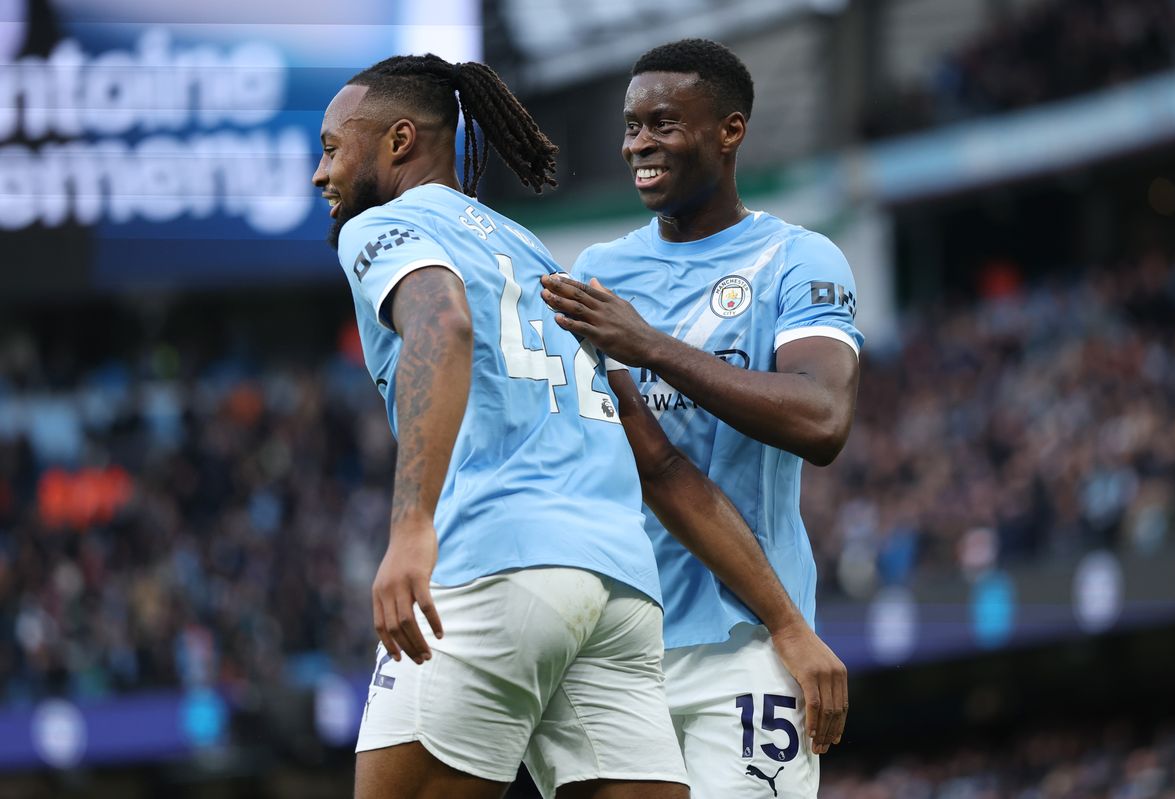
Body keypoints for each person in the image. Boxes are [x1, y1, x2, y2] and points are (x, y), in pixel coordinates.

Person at [312, 53, 835, 799]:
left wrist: (411, 526)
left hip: (496, 560)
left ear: (399, 141)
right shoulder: (530, 251)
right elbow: (654, 461)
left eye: (332, 148)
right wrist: (786, 617)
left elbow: (444, 324)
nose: (319, 174)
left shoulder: (383, 226)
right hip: (618, 591)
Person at [541, 38, 861, 798]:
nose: (639, 145)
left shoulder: (798, 260)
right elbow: (644, 464)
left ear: (730, 130)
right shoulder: (598, 275)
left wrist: (648, 345)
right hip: (617, 643)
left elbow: (821, 420)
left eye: (663, 123)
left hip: (748, 640)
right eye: (630, 126)